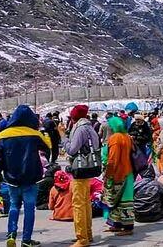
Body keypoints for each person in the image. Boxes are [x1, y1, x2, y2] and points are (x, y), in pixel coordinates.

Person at [0, 105, 51, 247]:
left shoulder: (2, 136)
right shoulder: (34, 134)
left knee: (14, 205)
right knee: (30, 208)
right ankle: (26, 240)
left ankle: (11, 234)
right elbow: (47, 148)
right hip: (31, 178)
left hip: (12, 179)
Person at [61, 104, 101, 247]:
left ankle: (82, 238)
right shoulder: (90, 128)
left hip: (79, 170)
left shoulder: (80, 129)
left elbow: (72, 150)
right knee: (85, 203)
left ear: (74, 117)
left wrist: (63, 137)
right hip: (88, 169)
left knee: (78, 204)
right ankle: (87, 234)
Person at [101, 117, 135, 236]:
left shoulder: (115, 138)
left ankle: (127, 227)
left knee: (119, 201)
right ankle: (117, 224)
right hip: (128, 172)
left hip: (118, 174)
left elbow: (113, 160)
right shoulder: (127, 136)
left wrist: (108, 174)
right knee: (122, 201)